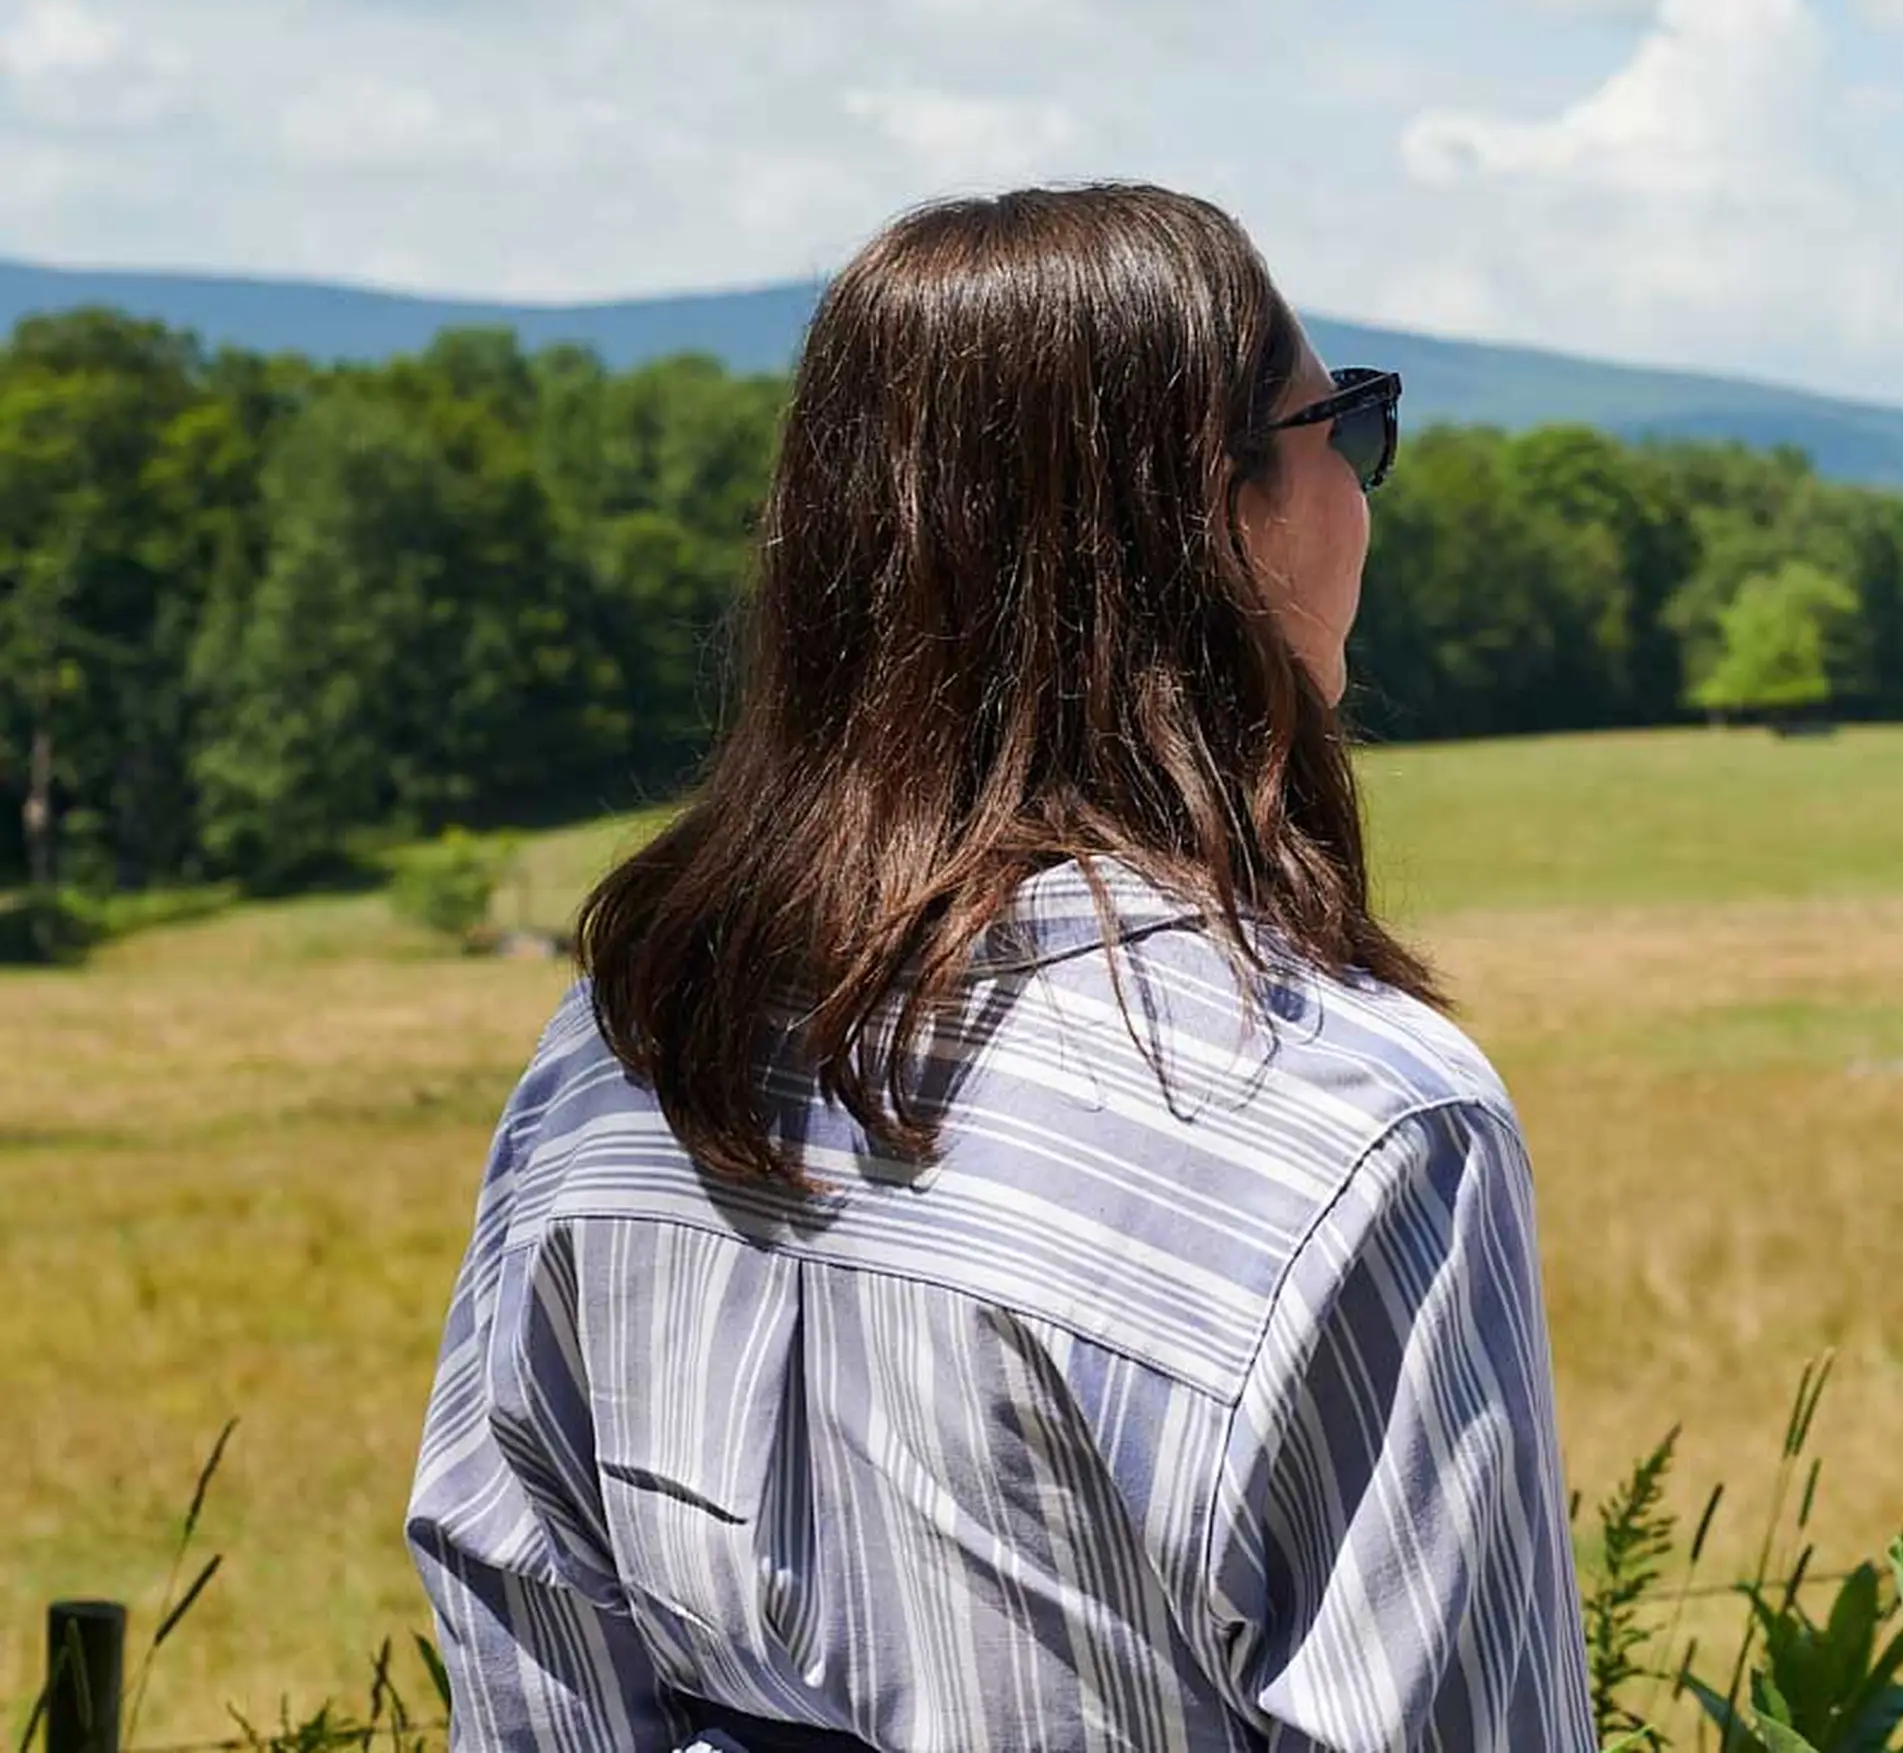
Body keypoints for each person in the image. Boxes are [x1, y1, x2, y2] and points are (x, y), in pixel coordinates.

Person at [408, 185, 1592, 1752]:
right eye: (1346, 429)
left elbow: (524, 1649)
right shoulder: (1356, 1127)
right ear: (1220, 517)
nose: (1363, 489)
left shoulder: (622, 1055)